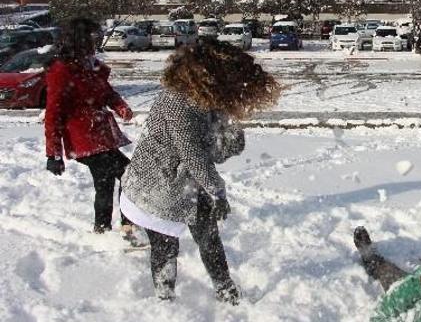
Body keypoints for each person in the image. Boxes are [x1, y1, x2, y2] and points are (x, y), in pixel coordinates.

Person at [120, 40, 280, 304]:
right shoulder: (177, 102)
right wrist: (218, 192)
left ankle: (225, 289)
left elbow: (214, 152)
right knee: (165, 245)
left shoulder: (203, 97)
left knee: (209, 238)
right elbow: (193, 156)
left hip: (187, 184)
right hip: (155, 189)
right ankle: (165, 298)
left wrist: (230, 137)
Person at [44, 17, 136, 237]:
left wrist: (120, 106)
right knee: (120, 178)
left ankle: (123, 227)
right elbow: (53, 114)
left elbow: (106, 92)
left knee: (129, 176)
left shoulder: (91, 65)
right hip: (82, 138)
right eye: (93, 38)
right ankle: (111, 231)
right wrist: (53, 154)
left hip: (102, 135)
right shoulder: (62, 71)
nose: (98, 41)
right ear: (79, 41)